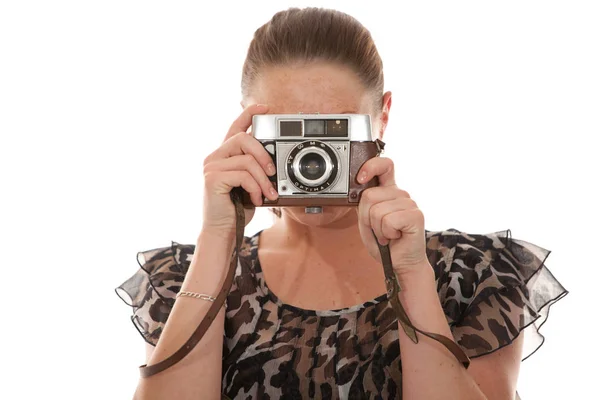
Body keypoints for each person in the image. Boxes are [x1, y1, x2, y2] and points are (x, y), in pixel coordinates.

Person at [116, 7, 568, 399]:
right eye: (288, 130)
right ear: (246, 126)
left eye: (334, 129)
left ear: (382, 116)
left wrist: (410, 273)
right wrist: (217, 239)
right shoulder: (184, 277)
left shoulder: (475, 273)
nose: (312, 157)